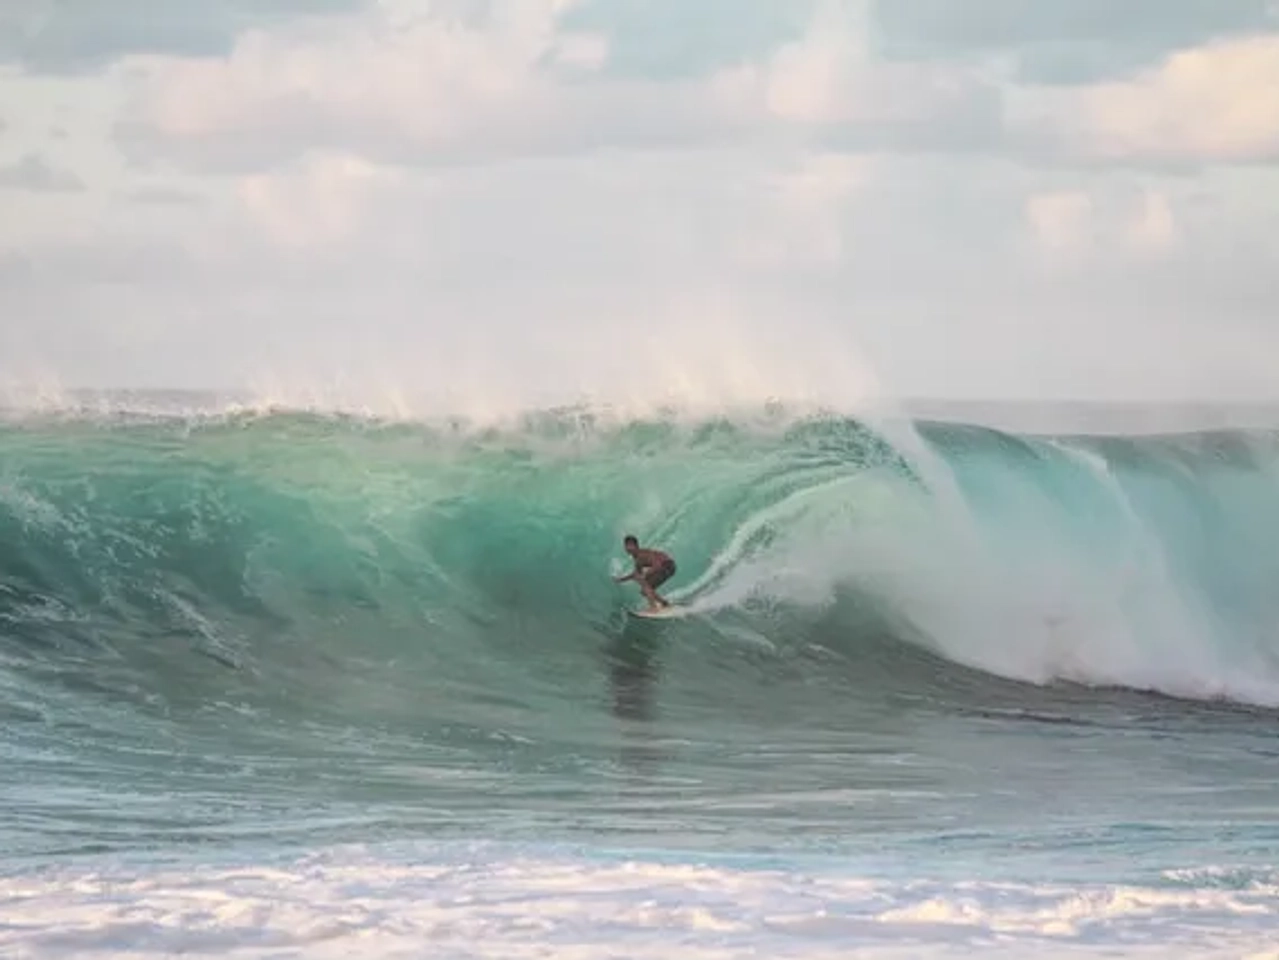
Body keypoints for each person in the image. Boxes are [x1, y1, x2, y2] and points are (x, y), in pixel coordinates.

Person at [614, 535, 677, 611]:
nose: (628, 548)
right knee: (644, 591)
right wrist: (621, 580)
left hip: (667, 565)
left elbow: (657, 565)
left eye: (630, 545)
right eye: (626, 545)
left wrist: (646, 574)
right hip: (667, 567)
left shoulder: (642, 555)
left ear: (636, 546)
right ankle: (664, 603)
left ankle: (653, 607)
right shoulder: (637, 559)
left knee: (645, 584)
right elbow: (636, 574)